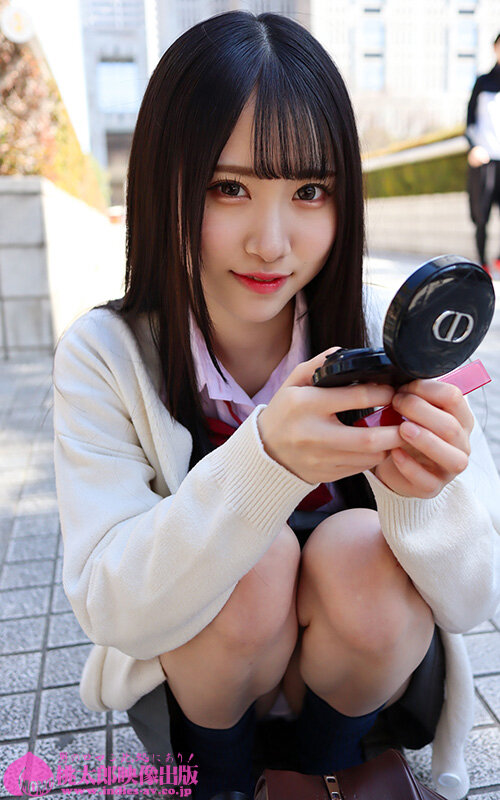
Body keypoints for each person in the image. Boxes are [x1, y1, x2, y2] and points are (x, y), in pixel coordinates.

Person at [53, 11, 500, 800]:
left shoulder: (383, 327)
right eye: (228, 188)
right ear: (163, 183)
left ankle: (327, 767)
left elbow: (472, 601)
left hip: (358, 681)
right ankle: (222, 780)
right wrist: (263, 465)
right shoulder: (105, 354)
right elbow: (111, 607)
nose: (271, 241)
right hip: (201, 686)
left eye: (309, 190)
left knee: (363, 551)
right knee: (251, 563)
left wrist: (423, 497)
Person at [466, 33, 500, 276]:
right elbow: (469, 121)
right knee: (482, 214)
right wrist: (473, 146)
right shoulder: (482, 82)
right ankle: (482, 264)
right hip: (485, 158)